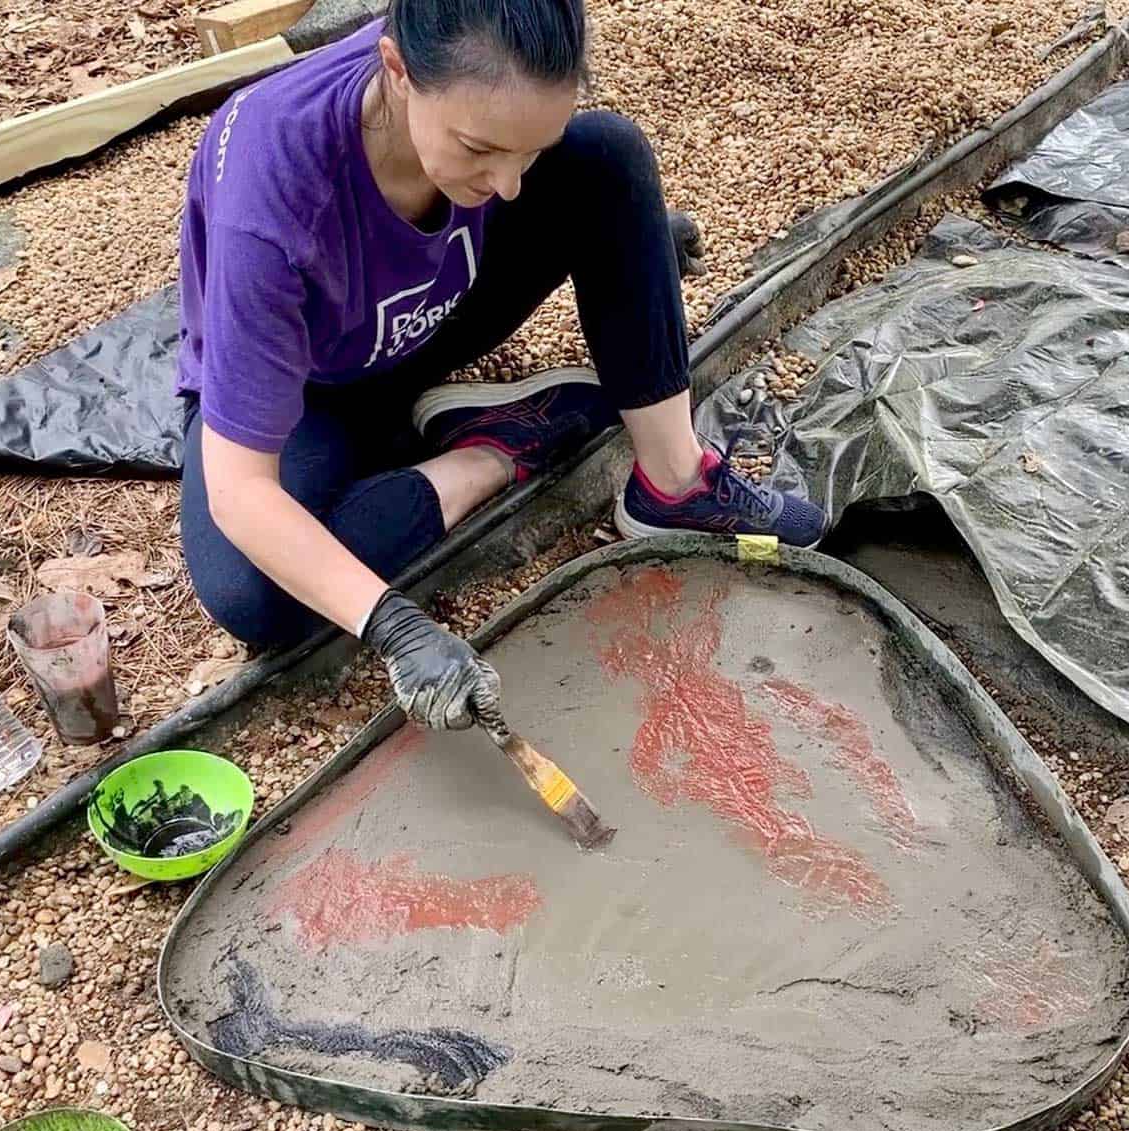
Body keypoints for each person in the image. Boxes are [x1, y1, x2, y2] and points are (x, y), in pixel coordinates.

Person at [177, 0, 827, 732]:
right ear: (395, 72)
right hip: (315, 390)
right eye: (480, 148)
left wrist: (557, 185)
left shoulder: (469, 73)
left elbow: (532, 167)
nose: (510, 182)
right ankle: (494, 451)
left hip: (428, 313)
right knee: (252, 595)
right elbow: (239, 492)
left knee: (608, 157)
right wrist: (396, 627)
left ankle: (673, 480)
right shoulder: (274, 194)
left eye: (529, 150)